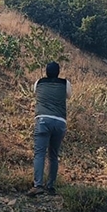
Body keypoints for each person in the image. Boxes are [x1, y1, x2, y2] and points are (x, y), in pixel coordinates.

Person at [27, 62, 72, 197]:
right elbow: (68, 96)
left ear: (46, 71)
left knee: (39, 154)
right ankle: (51, 186)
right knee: (53, 154)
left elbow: (35, 93)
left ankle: (38, 185)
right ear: (59, 72)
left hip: (43, 120)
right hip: (59, 122)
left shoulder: (39, 82)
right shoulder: (65, 83)